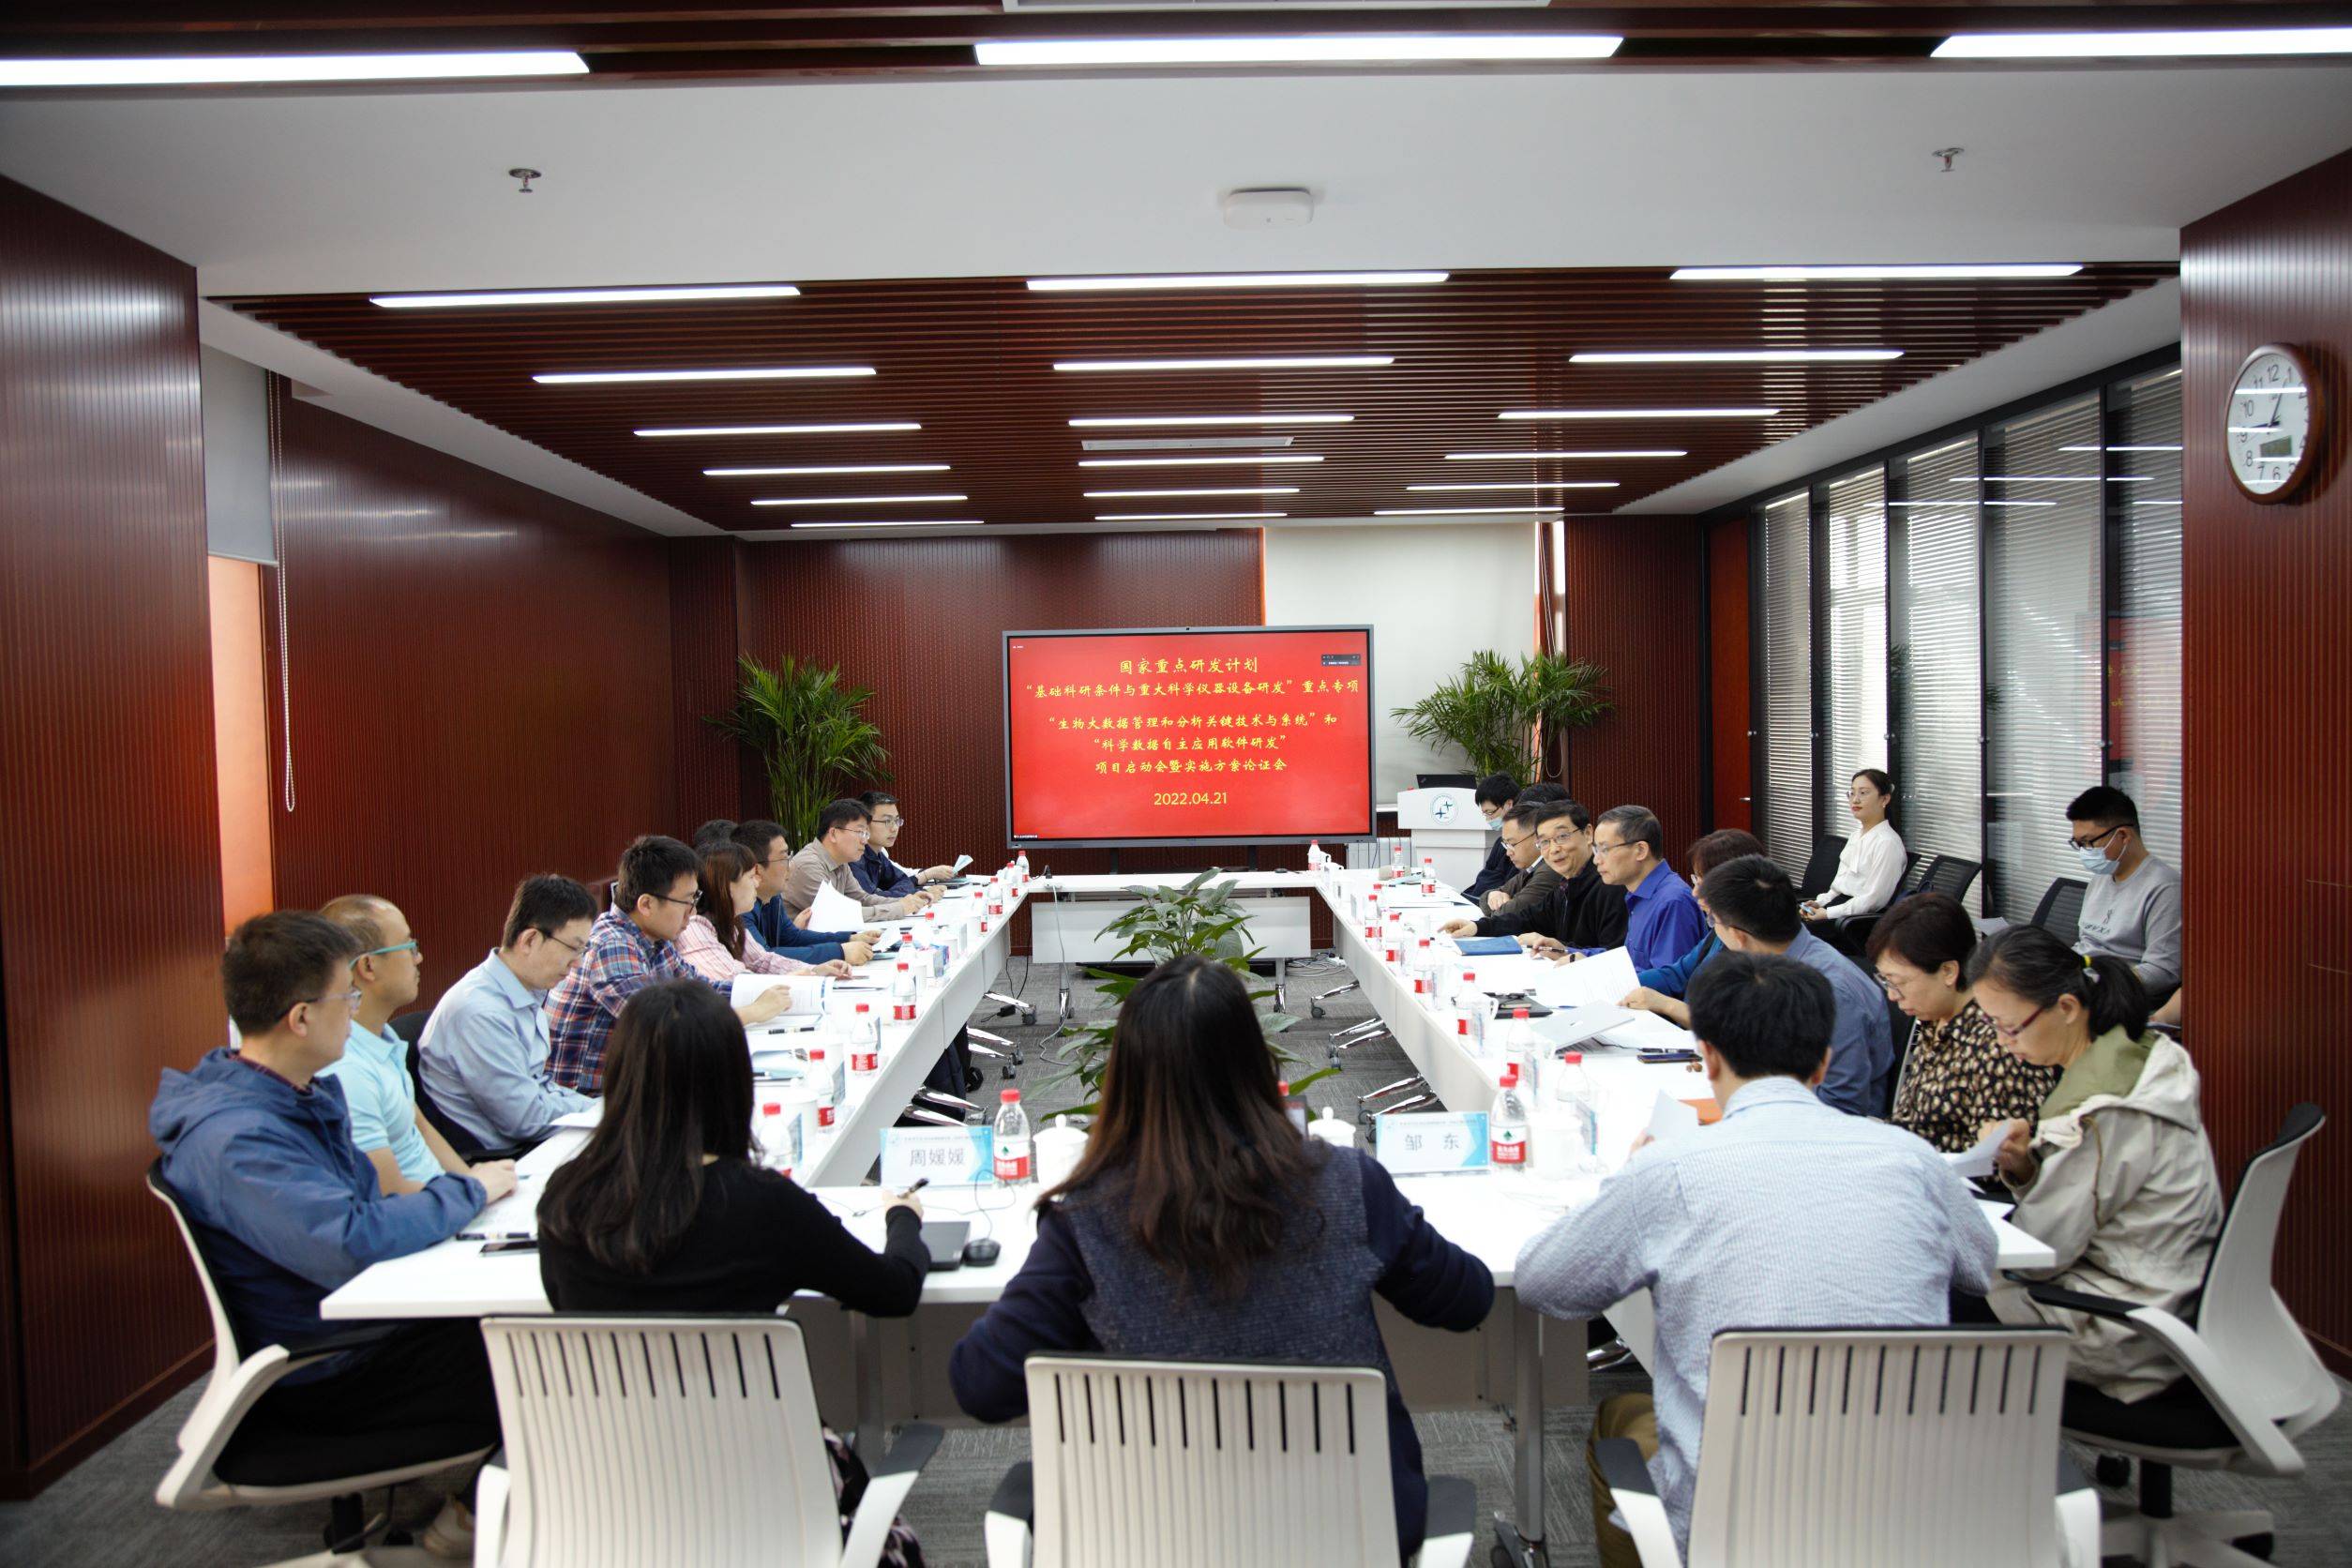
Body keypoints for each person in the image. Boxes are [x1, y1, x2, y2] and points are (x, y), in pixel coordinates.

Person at [949, 956, 1494, 1560]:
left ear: (1125, 1081)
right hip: (1349, 1539)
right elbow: (1468, 1299)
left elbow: (981, 1384)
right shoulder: (1347, 1185)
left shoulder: (1087, 1221)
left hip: (1154, 1543)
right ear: (1256, 1065)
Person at [1515, 952, 1998, 1568]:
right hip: (1914, 1510)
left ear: (1708, 1057)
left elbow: (1542, 1282)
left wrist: (1628, 1183)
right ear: (1823, 1063)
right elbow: (1980, 1267)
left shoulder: (1671, 1168)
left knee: (1619, 1417)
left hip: (1738, 1514)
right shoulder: (1912, 1159)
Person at [151, 912, 512, 1558]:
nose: (354, 1011)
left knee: (541, 1320)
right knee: (552, 1353)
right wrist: (470, 1192)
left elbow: (364, 1211)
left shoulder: (290, 1095)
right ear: (300, 1018)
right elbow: (351, 1238)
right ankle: (473, 1525)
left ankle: (486, 1511)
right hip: (329, 1372)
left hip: (366, 1327)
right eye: (345, 997)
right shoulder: (238, 1138)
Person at [539, 980, 928, 1562]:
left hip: (616, 1498)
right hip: (767, 1493)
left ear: (621, 1078)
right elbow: (893, 1291)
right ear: (732, 1081)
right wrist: (903, 1221)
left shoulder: (566, 1199)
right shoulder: (760, 1204)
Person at [1962, 926, 2223, 1406]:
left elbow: (2041, 1253)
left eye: (2009, 1027)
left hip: (2124, 1328)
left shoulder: (2101, 1113)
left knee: (1936, 1296)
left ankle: (1997, 1446)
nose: (2001, 1043)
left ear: (2066, 1007)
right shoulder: (2137, 1053)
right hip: (2159, 1292)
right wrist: (2025, 1166)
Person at [548, 835, 790, 1095]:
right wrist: (752, 1011)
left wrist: (772, 992)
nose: (692, 912)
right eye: (687, 901)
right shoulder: (611, 944)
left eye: (695, 898)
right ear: (647, 904)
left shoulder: (655, 939)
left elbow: (703, 990)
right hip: (588, 1102)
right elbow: (663, 1027)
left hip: (632, 1087)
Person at [314, 895, 498, 1195]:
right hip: (424, 1213)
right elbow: (388, 1194)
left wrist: (474, 1183)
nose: (419, 957)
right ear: (369, 966)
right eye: (409, 947)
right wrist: (476, 1192)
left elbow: (420, 1127)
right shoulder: (345, 1068)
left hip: (449, 1199)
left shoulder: (382, 1036)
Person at [1694, 854, 1892, 1116]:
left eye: (1714, 921)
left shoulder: (1832, 991)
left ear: (1739, 936)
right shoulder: (1776, 964)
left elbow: (1842, 1104)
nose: (1713, 928)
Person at [418, 874, 601, 1153]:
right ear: (530, 940)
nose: (577, 963)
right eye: (574, 949)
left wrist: (601, 1109)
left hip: (530, 1138)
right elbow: (525, 1118)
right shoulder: (480, 1013)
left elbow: (541, 1088)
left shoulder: (525, 990)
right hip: (502, 1157)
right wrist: (601, 1113)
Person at [1867, 894, 2061, 1154]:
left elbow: (1997, 1159)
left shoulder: (2000, 1044)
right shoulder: (1935, 1017)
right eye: (1886, 981)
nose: (1892, 995)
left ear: (1948, 972)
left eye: (1898, 982)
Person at [1616, 829, 1764, 1023]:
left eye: (1702, 883)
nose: (1694, 892)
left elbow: (1730, 1026)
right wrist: (1619, 984)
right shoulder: (1720, 931)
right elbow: (1678, 973)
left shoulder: (1759, 945)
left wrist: (1666, 1005)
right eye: (1695, 880)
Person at [1442, 799, 1626, 954]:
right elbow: (1527, 920)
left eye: (1562, 837)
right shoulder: (1567, 884)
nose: (1553, 849)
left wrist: (1563, 950)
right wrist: (1477, 927)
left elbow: (1614, 957)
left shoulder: (1610, 885)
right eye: (1545, 842)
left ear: (1588, 834)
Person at [2066, 785, 2183, 1007]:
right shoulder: (2102, 877)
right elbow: (2087, 943)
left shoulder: (2165, 888)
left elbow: (2162, 971)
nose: (2085, 852)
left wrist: (2096, 987)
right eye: (2079, 844)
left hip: (2120, 1001)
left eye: (2089, 842)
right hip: (2080, 986)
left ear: (2123, 836)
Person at [677, 841, 853, 988]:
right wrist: (789, 980)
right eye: (750, 877)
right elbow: (733, 982)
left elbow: (762, 961)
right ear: (726, 885)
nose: (757, 882)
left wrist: (813, 970)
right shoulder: (694, 927)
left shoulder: (732, 923)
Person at [1563, 805, 1707, 972]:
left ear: (1640, 850)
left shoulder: (1673, 901)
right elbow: (1629, 962)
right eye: (1596, 849)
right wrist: (1566, 951)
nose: (1596, 860)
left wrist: (1595, 970)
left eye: (1605, 849)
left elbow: (1667, 981)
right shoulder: (1637, 893)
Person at [734, 819, 877, 967]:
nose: (791, 866)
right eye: (783, 859)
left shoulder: (772, 896)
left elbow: (792, 938)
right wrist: (839, 952)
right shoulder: (739, 907)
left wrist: (848, 939)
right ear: (757, 870)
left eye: (789, 856)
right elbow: (764, 957)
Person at [783, 800, 924, 924]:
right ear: (833, 834)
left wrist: (907, 901)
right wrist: (899, 908)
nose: (865, 841)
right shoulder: (808, 865)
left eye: (866, 834)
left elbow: (862, 899)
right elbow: (837, 916)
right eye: (860, 832)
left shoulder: (841, 862)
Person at [1801, 768, 1907, 925]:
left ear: (1884, 799)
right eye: (1852, 793)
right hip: (1837, 910)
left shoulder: (1887, 843)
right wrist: (1819, 903)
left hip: (1853, 921)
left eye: (1863, 793)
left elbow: (1873, 900)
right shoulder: (1855, 836)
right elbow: (1838, 887)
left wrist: (1828, 913)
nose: (1855, 800)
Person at [1479, 781, 1570, 919]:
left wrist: (1499, 905)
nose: (1508, 852)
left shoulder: (1551, 867)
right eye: (1506, 845)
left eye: (1512, 844)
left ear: (1538, 836)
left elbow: (1507, 915)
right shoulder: (1531, 866)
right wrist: (1492, 895)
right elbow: (1485, 895)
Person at [853, 791, 955, 901]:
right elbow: (870, 899)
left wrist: (915, 893)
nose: (894, 828)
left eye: (896, 820)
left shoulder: (878, 854)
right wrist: (920, 894)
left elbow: (904, 881)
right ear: (864, 823)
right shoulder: (853, 856)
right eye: (887, 821)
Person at [1462, 773, 1521, 902]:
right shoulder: (1500, 843)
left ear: (1509, 805)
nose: (1488, 819)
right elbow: (1484, 878)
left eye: (1490, 812)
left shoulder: (1523, 845)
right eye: (1485, 814)